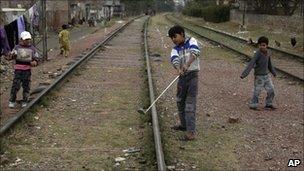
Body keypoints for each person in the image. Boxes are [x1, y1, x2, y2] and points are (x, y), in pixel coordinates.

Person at [168, 25, 200, 141]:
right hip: (182, 78)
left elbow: (195, 52)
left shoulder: (192, 40)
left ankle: (191, 133)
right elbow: (174, 59)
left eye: (175, 36)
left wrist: (187, 64)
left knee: (190, 105)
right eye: (171, 38)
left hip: (192, 77)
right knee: (180, 102)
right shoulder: (175, 48)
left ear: (182, 34)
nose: (173, 39)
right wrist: (178, 68)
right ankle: (183, 125)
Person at [240, 36, 277, 110]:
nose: (262, 47)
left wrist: (273, 72)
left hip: (266, 76)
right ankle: (253, 105)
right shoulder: (257, 54)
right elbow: (251, 63)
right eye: (260, 45)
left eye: (263, 45)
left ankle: (269, 104)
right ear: (258, 45)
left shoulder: (268, 53)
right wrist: (244, 74)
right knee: (257, 91)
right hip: (259, 77)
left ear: (267, 46)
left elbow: (269, 64)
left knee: (271, 90)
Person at [6, 31, 39, 108]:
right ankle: (12, 101)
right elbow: (10, 57)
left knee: (26, 86)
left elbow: (37, 59)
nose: (28, 41)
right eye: (26, 39)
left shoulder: (32, 48)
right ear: (21, 39)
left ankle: (25, 101)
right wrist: (12, 55)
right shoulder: (17, 47)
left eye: (29, 39)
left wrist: (35, 62)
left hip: (27, 70)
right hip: (18, 70)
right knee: (15, 85)